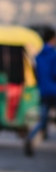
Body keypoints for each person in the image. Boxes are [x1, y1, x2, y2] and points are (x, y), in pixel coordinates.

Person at [24, 26, 56, 156]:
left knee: (42, 120)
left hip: (43, 91)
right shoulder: (53, 54)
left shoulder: (38, 55)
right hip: (54, 90)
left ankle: (30, 137)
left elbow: (36, 74)